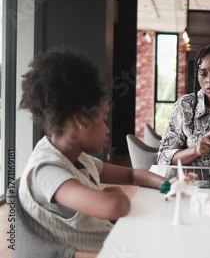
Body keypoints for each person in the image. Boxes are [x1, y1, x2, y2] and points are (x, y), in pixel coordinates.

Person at [18, 48, 196, 252]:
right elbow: (114, 207)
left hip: (115, 243)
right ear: (81, 121)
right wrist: (115, 194)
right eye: (103, 119)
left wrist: (167, 185)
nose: (107, 129)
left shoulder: (78, 158)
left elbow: (132, 175)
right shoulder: (46, 171)